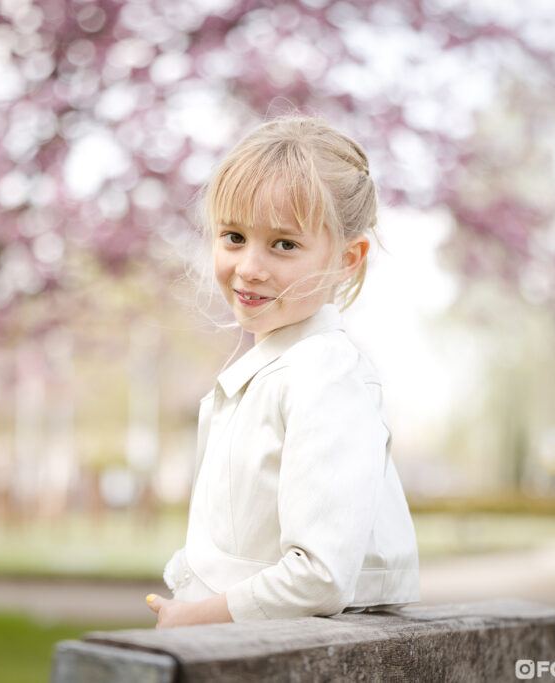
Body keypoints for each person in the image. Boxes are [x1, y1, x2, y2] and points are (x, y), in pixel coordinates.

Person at [146, 116, 419, 628]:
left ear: (347, 259)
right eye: (233, 236)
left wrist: (194, 618)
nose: (249, 266)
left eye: (284, 244)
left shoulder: (325, 375)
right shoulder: (280, 368)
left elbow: (319, 574)